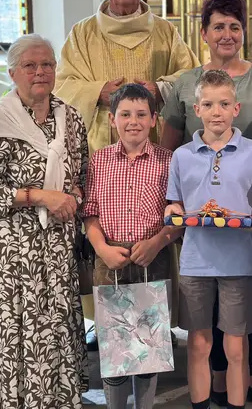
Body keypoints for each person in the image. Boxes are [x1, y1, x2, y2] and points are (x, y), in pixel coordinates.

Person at [54, 0, 199, 346]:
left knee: (153, 232)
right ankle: (105, 325)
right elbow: (62, 85)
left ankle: (153, 327)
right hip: (102, 153)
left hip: (154, 155)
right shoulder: (82, 34)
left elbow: (190, 78)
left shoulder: (165, 32)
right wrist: (97, 91)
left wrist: (161, 87)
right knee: (103, 235)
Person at [161, 0, 252, 405]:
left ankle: (246, 371)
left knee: (250, 297)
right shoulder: (185, 84)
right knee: (204, 316)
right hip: (201, 213)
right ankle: (216, 378)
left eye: (235, 26)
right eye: (218, 26)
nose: (227, 34)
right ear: (204, 33)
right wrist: (174, 208)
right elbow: (168, 148)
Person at [0, 34, 88, 408]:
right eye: (30, 65)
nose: (40, 72)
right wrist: (42, 196)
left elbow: (82, 176)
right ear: (13, 73)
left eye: (47, 64)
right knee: (11, 329)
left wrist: (72, 198)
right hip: (6, 257)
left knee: (51, 327)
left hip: (54, 251)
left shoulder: (71, 119)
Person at [165, 70, 252, 409]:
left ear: (236, 109)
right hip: (196, 261)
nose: (217, 112)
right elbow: (174, 202)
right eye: (209, 104)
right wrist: (173, 210)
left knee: (236, 345)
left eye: (224, 104)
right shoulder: (181, 155)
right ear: (196, 109)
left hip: (239, 260)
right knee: (199, 343)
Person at [82, 83, 181, 409]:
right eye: (125, 114)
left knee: (148, 351)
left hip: (152, 257)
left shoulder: (168, 161)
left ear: (154, 119)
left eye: (141, 114)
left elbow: (177, 216)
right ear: (112, 119)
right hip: (110, 259)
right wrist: (102, 249)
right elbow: (90, 212)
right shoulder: (99, 161)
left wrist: (157, 242)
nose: (133, 121)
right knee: (115, 350)